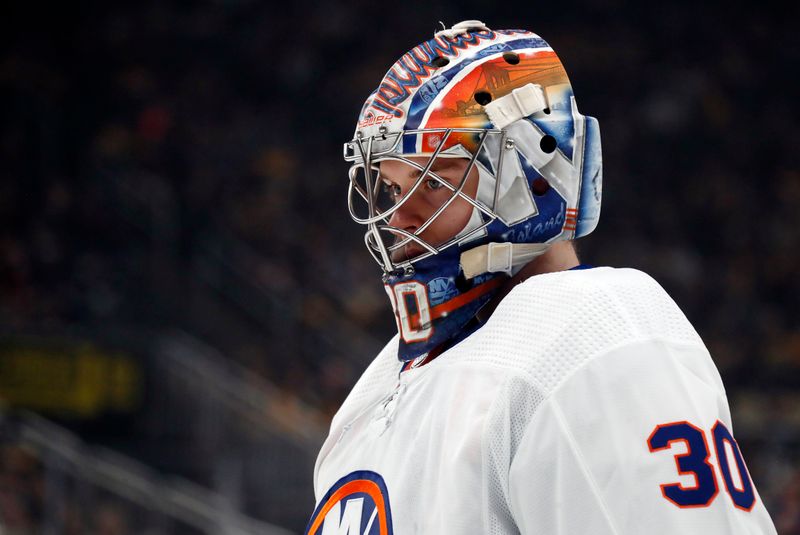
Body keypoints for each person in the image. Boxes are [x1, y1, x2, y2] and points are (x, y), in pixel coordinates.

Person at [306, 20, 777, 534]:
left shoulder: (597, 333)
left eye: (434, 183)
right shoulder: (377, 386)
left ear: (528, 173)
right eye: (395, 189)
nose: (398, 218)